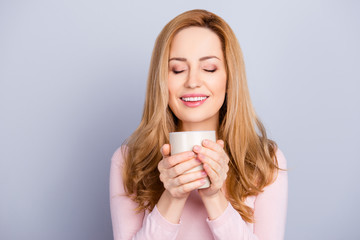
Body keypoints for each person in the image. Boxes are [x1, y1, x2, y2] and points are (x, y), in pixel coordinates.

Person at [110, 9, 288, 240]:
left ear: (229, 77)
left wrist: (215, 197)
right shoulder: (128, 162)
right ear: (162, 81)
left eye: (209, 68)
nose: (193, 82)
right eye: (178, 69)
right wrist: (172, 197)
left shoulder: (266, 162)